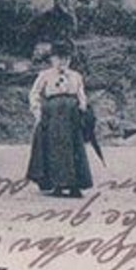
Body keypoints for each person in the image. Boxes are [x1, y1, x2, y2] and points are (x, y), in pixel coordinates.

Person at [27, 41, 93, 198]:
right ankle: (57, 185)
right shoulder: (45, 75)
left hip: (71, 116)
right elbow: (34, 94)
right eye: (58, 58)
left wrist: (82, 107)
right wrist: (38, 112)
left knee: (74, 148)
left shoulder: (76, 76)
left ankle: (75, 185)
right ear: (52, 59)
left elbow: (81, 94)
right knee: (54, 149)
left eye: (66, 59)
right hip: (53, 115)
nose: (62, 62)